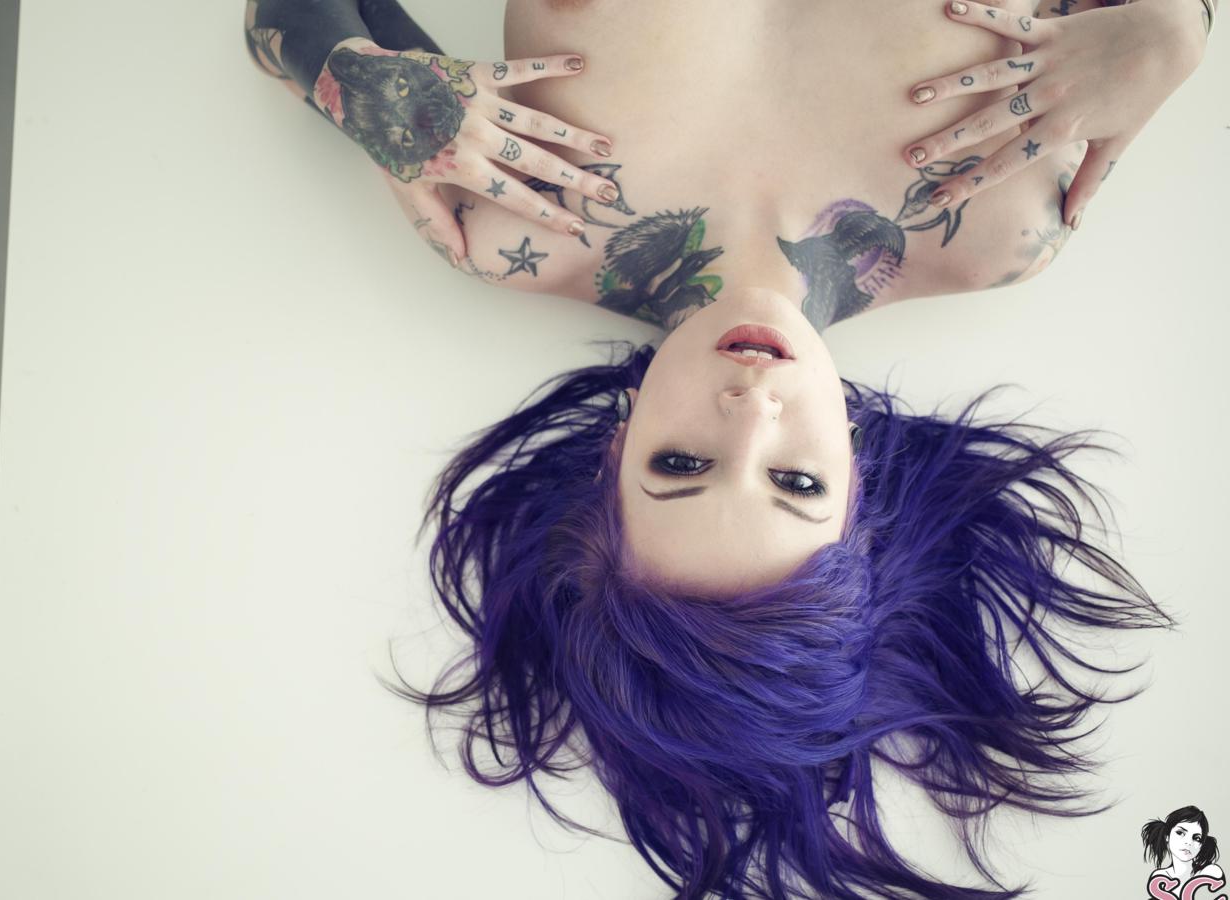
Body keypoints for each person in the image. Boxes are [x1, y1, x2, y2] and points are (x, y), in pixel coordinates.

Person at [245, 1, 1213, 898]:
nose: (750, 410)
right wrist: (1179, 27)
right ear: (859, 484)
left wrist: (351, 77)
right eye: (795, 482)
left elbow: (278, 14)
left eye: (680, 466)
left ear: (613, 450)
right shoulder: (1001, 220)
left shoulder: (514, 219)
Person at [1142, 807, 1224, 899]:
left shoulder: (1210, 872)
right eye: (1180, 833)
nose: (1188, 842)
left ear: (1201, 845)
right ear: (1167, 836)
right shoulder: (1160, 877)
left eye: (1196, 838)